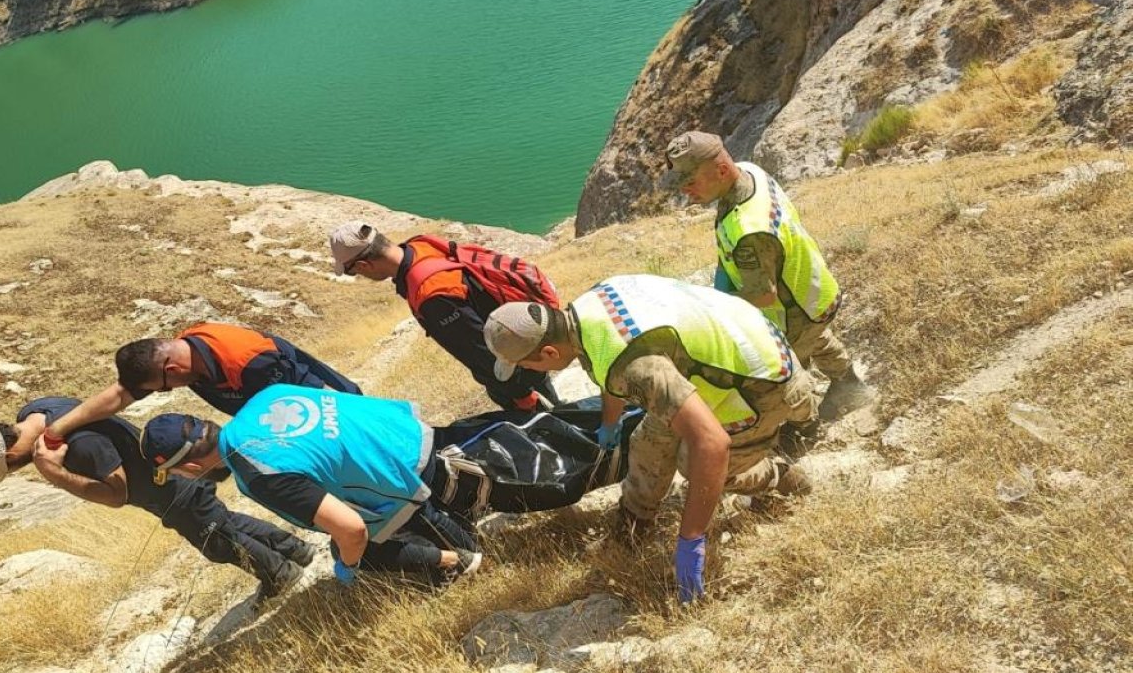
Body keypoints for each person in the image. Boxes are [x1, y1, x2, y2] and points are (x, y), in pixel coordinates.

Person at [483, 274, 818, 603]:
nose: (529, 372)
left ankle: (777, 476)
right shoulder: (588, 309)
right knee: (648, 442)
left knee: (699, 462)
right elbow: (607, 363)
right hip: (734, 344)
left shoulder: (633, 364)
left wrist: (690, 539)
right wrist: (609, 424)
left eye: (526, 365)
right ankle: (631, 529)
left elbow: (712, 443)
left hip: (761, 382)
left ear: (550, 354)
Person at [137, 386, 638, 586]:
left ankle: (459, 561)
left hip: (422, 482)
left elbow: (351, 527)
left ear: (188, 466)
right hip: (423, 435)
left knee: (357, 551)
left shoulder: (254, 470)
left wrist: (348, 569)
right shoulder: (265, 400)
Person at [0, 396, 317, 609]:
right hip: (174, 483)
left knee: (217, 541)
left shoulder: (80, 446)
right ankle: (295, 549)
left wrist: (58, 475)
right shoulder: (38, 410)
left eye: (9, 469)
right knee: (226, 522)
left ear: (10, 455)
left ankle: (281, 575)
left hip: (173, 491)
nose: (15, 471)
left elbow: (116, 494)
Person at [662, 131, 870, 418]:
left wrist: (712, 306)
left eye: (690, 182)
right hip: (812, 289)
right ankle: (848, 383)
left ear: (721, 170)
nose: (685, 191)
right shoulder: (749, 171)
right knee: (817, 336)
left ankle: (804, 423)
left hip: (792, 311)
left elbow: (763, 294)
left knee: (781, 376)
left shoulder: (750, 231)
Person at [329, 221, 559, 413]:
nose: (357, 275)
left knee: (554, 428)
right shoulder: (421, 245)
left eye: (352, 270)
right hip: (526, 340)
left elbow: (482, 351)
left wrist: (521, 395)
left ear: (363, 264)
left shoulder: (431, 296)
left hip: (517, 371)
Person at [38, 321, 360, 449]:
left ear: (173, 370)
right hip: (294, 423)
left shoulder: (249, 362)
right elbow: (120, 395)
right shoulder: (178, 358)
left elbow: (322, 397)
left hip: (333, 416)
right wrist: (57, 430)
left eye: (163, 388)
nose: (166, 392)